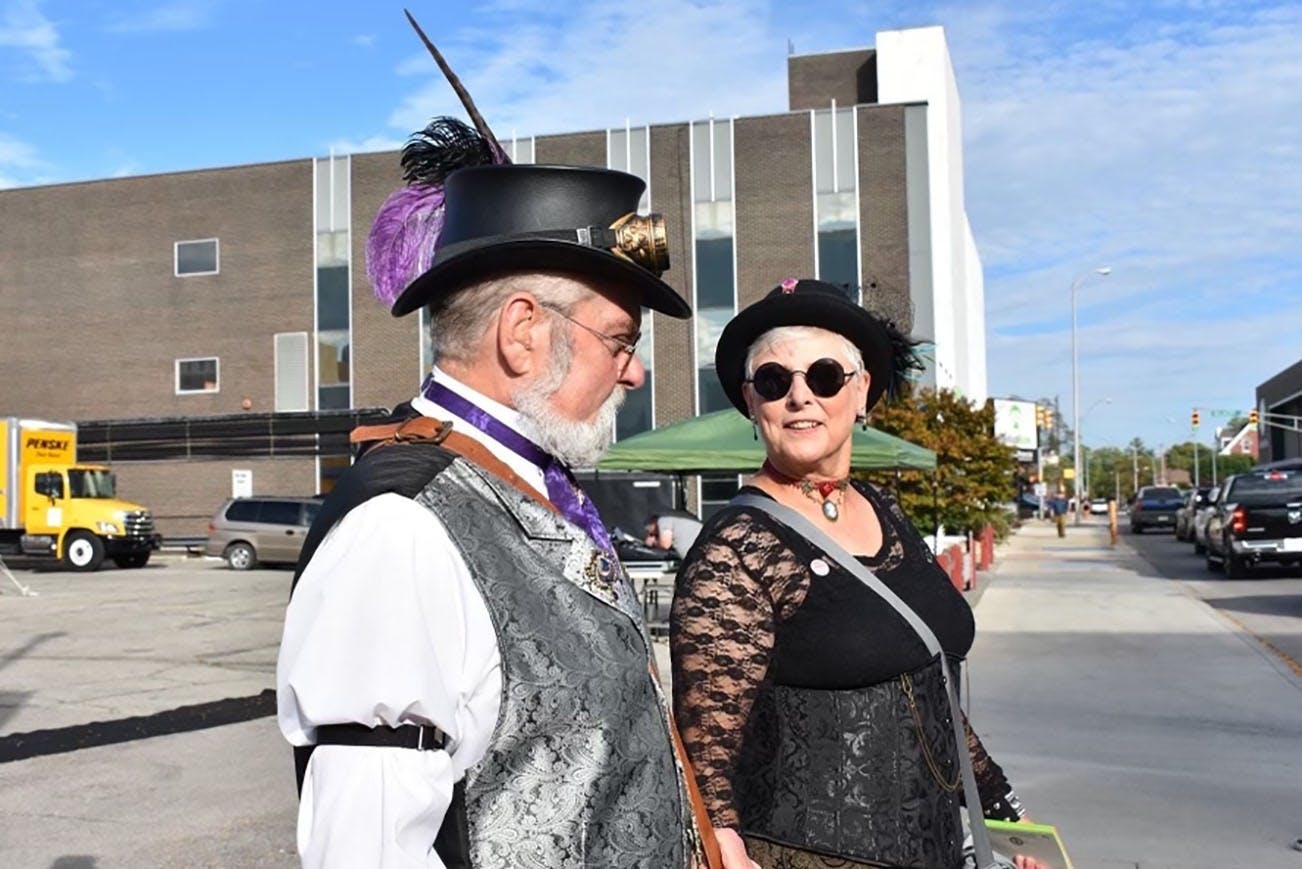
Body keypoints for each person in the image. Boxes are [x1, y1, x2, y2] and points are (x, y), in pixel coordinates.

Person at [276, 139, 714, 865]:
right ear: (522, 331)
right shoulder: (402, 530)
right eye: (619, 339)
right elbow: (367, 848)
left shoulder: (536, 484)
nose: (633, 371)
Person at [670, 279, 1044, 869]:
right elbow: (704, 747)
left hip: (940, 848)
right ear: (751, 402)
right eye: (774, 381)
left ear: (861, 388)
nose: (800, 397)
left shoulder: (884, 509)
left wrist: (1006, 815)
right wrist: (722, 845)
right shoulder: (738, 546)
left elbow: (935, 693)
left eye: (823, 376)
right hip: (805, 854)